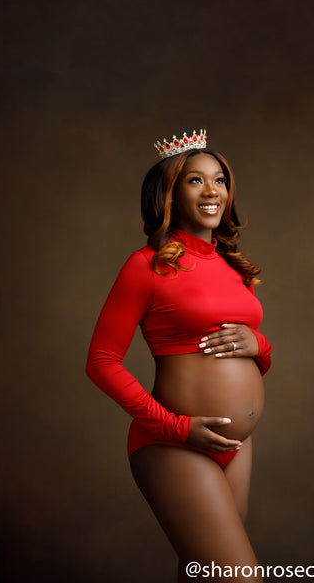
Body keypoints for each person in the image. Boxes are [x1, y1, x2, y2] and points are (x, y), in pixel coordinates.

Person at [85, 129, 272, 582]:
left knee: (205, 573)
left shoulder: (234, 267)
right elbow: (101, 361)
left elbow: (250, 353)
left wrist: (260, 345)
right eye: (195, 180)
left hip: (235, 445)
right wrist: (178, 427)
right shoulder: (146, 266)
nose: (212, 191)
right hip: (174, 443)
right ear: (169, 192)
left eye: (220, 179)